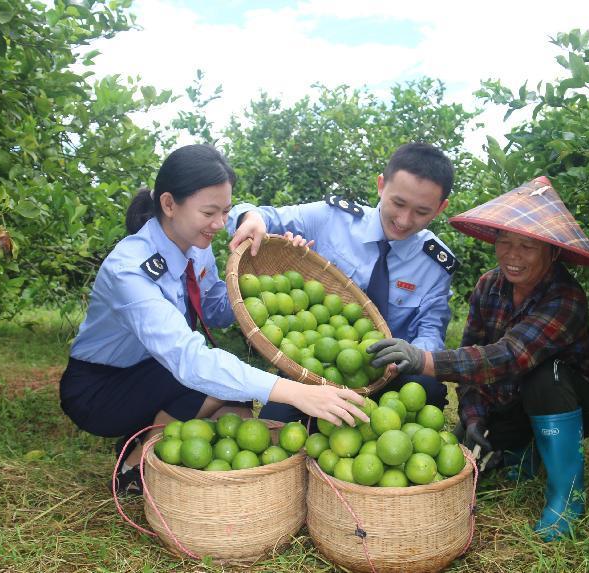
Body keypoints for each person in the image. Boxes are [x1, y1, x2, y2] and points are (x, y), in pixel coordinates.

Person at [59, 144, 367, 495]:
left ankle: (159, 443)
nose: (220, 224)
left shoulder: (198, 247)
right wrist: (297, 392)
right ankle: (134, 465)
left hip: (155, 368)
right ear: (169, 204)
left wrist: (273, 278)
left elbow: (217, 307)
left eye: (225, 211)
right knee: (209, 384)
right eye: (210, 212)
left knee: (236, 415)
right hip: (100, 388)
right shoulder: (130, 270)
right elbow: (190, 361)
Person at [366, 176, 589, 541]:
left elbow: (510, 356)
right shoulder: (488, 285)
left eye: (527, 247)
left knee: (545, 374)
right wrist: (473, 417)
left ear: (553, 252)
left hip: (574, 403)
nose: (512, 256)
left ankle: (567, 496)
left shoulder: (566, 296)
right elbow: (474, 354)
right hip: (513, 399)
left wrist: (425, 360)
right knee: (463, 449)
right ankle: (522, 451)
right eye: (505, 242)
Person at [227, 142, 459, 420]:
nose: (404, 219)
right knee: (275, 425)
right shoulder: (331, 219)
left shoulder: (435, 264)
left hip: (388, 376)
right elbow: (256, 214)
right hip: (316, 368)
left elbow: (431, 332)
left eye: (422, 212)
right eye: (398, 203)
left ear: (440, 208)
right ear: (381, 185)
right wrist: (251, 218)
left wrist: (411, 356)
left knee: (427, 388)